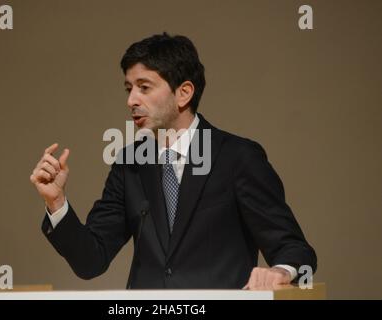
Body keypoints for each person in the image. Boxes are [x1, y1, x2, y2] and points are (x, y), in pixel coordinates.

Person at [30, 32, 317, 290]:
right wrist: (56, 204)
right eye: (128, 88)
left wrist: (280, 271)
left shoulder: (238, 157)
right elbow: (90, 262)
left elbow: (294, 249)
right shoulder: (130, 163)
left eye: (144, 87)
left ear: (184, 93)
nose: (131, 100)